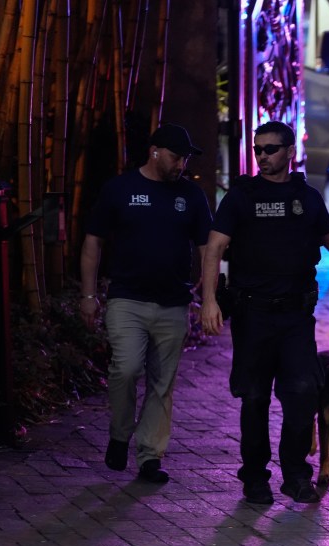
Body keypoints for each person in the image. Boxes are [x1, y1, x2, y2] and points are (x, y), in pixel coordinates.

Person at [199, 121, 329, 505]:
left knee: (303, 395)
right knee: (254, 398)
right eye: (258, 149)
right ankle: (255, 478)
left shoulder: (306, 197)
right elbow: (215, 246)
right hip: (253, 315)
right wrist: (209, 299)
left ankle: (295, 476)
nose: (262, 156)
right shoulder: (242, 196)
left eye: (270, 149)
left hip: (295, 318)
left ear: (290, 151)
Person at [80, 123, 213, 484]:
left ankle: (150, 456)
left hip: (174, 303)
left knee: (162, 382)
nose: (181, 164)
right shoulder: (120, 189)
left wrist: (208, 294)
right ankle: (120, 433)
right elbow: (93, 242)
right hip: (127, 299)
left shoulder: (191, 195)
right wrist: (88, 296)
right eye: (175, 157)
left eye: (185, 158)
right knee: (125, 369)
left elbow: (207, 247)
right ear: (154, 151)